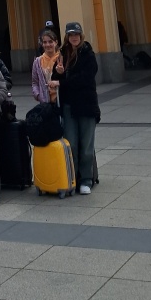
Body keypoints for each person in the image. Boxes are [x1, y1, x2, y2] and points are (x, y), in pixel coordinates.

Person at [51, 21, 100, 195]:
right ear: (67, 36)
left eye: (76, 34)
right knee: (71, 143)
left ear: (81, 35)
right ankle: (74, 178)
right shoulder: (63, 53)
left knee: (86, 144)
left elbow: (85, 78)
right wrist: (59, 72)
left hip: (86, 105)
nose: (74, 37)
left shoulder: (88, 53)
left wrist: (62, 80)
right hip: (69, 105)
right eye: (71, 35)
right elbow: (56, 77)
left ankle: (86, 178)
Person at [32, 27, 61, 104]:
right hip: (46, 102)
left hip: (62, 100)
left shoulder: (62, 58)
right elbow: (35, 82)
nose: (47, 45)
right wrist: (38, 95)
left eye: (50, 41)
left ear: (56, 42)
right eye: (45, 42)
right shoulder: (38, 61)